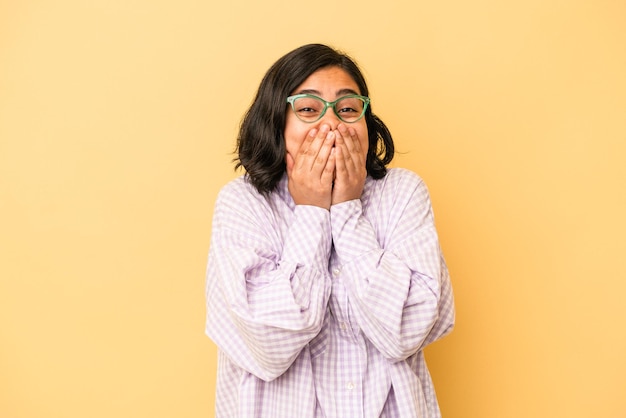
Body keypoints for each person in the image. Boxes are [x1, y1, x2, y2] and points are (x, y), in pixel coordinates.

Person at [205, 43, 455, 418]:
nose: (332, 123)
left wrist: (347, 211)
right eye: (308, 109)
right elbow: (266, 345)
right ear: (277, 122)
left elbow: (408, 330)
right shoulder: (243, 203)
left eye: (348, 109)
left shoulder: (403, 193)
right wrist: (311, 211)